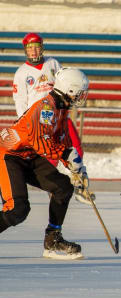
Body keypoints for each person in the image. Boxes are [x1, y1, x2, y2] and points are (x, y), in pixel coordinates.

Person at [0, 67, 90, 259]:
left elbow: (62, 140)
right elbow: (41, 142)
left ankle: (53, 240)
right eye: (80, 92)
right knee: (18, 209)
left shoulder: (61, 109)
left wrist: (76, 169)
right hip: (9, 155)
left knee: (63, 187)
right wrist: (66, 154)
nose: (82, 97)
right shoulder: (46, 108)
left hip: (28, 156)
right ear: (70, 90)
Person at [12, 32, 92, 205]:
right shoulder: (21, 72)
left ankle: (79, 185)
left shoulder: (52, 63)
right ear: (25, 50)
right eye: (29, 48)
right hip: (41, 120)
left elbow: (65, 82)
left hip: (59, 114)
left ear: (42, 47)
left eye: (36, 47)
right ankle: (54, 188)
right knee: (50, 154)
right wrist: (25, 122)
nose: (33, 51)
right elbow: (20, 100)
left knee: (75, 146)